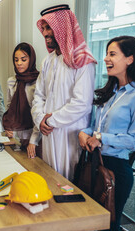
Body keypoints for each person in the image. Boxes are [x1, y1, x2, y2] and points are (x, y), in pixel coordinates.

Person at [79, 36, 135, 231]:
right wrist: (84, 133)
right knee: (96, 223)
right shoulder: (111, 91)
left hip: (116, 170)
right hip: (94, 164)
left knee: (109, 228)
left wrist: (101, 137)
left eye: (112, 54)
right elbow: (94, 127)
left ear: (130, 59)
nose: (106, 58)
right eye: (107, 54)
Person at [32, 4, 96, 180]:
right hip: (48, 132)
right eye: (43, 28)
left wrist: (50, 120)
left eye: (49, 27)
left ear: (62, 28)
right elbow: (38, 95)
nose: (45, 33)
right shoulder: (48, 61)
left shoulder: (83, 60)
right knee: (49, 179)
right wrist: (40, 119)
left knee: (68, 186)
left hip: (70, 135)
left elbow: (82, 103)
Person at [3, 42, 41, 159]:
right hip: (18, 137)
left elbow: (39, 115)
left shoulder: (38, 81)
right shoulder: (11, 81)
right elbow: (10, 108)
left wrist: (33, 141)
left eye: (23, 60)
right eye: (16, 60)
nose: (19, 63)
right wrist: (8, 128)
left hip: (36, 138)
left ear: (31, 59)